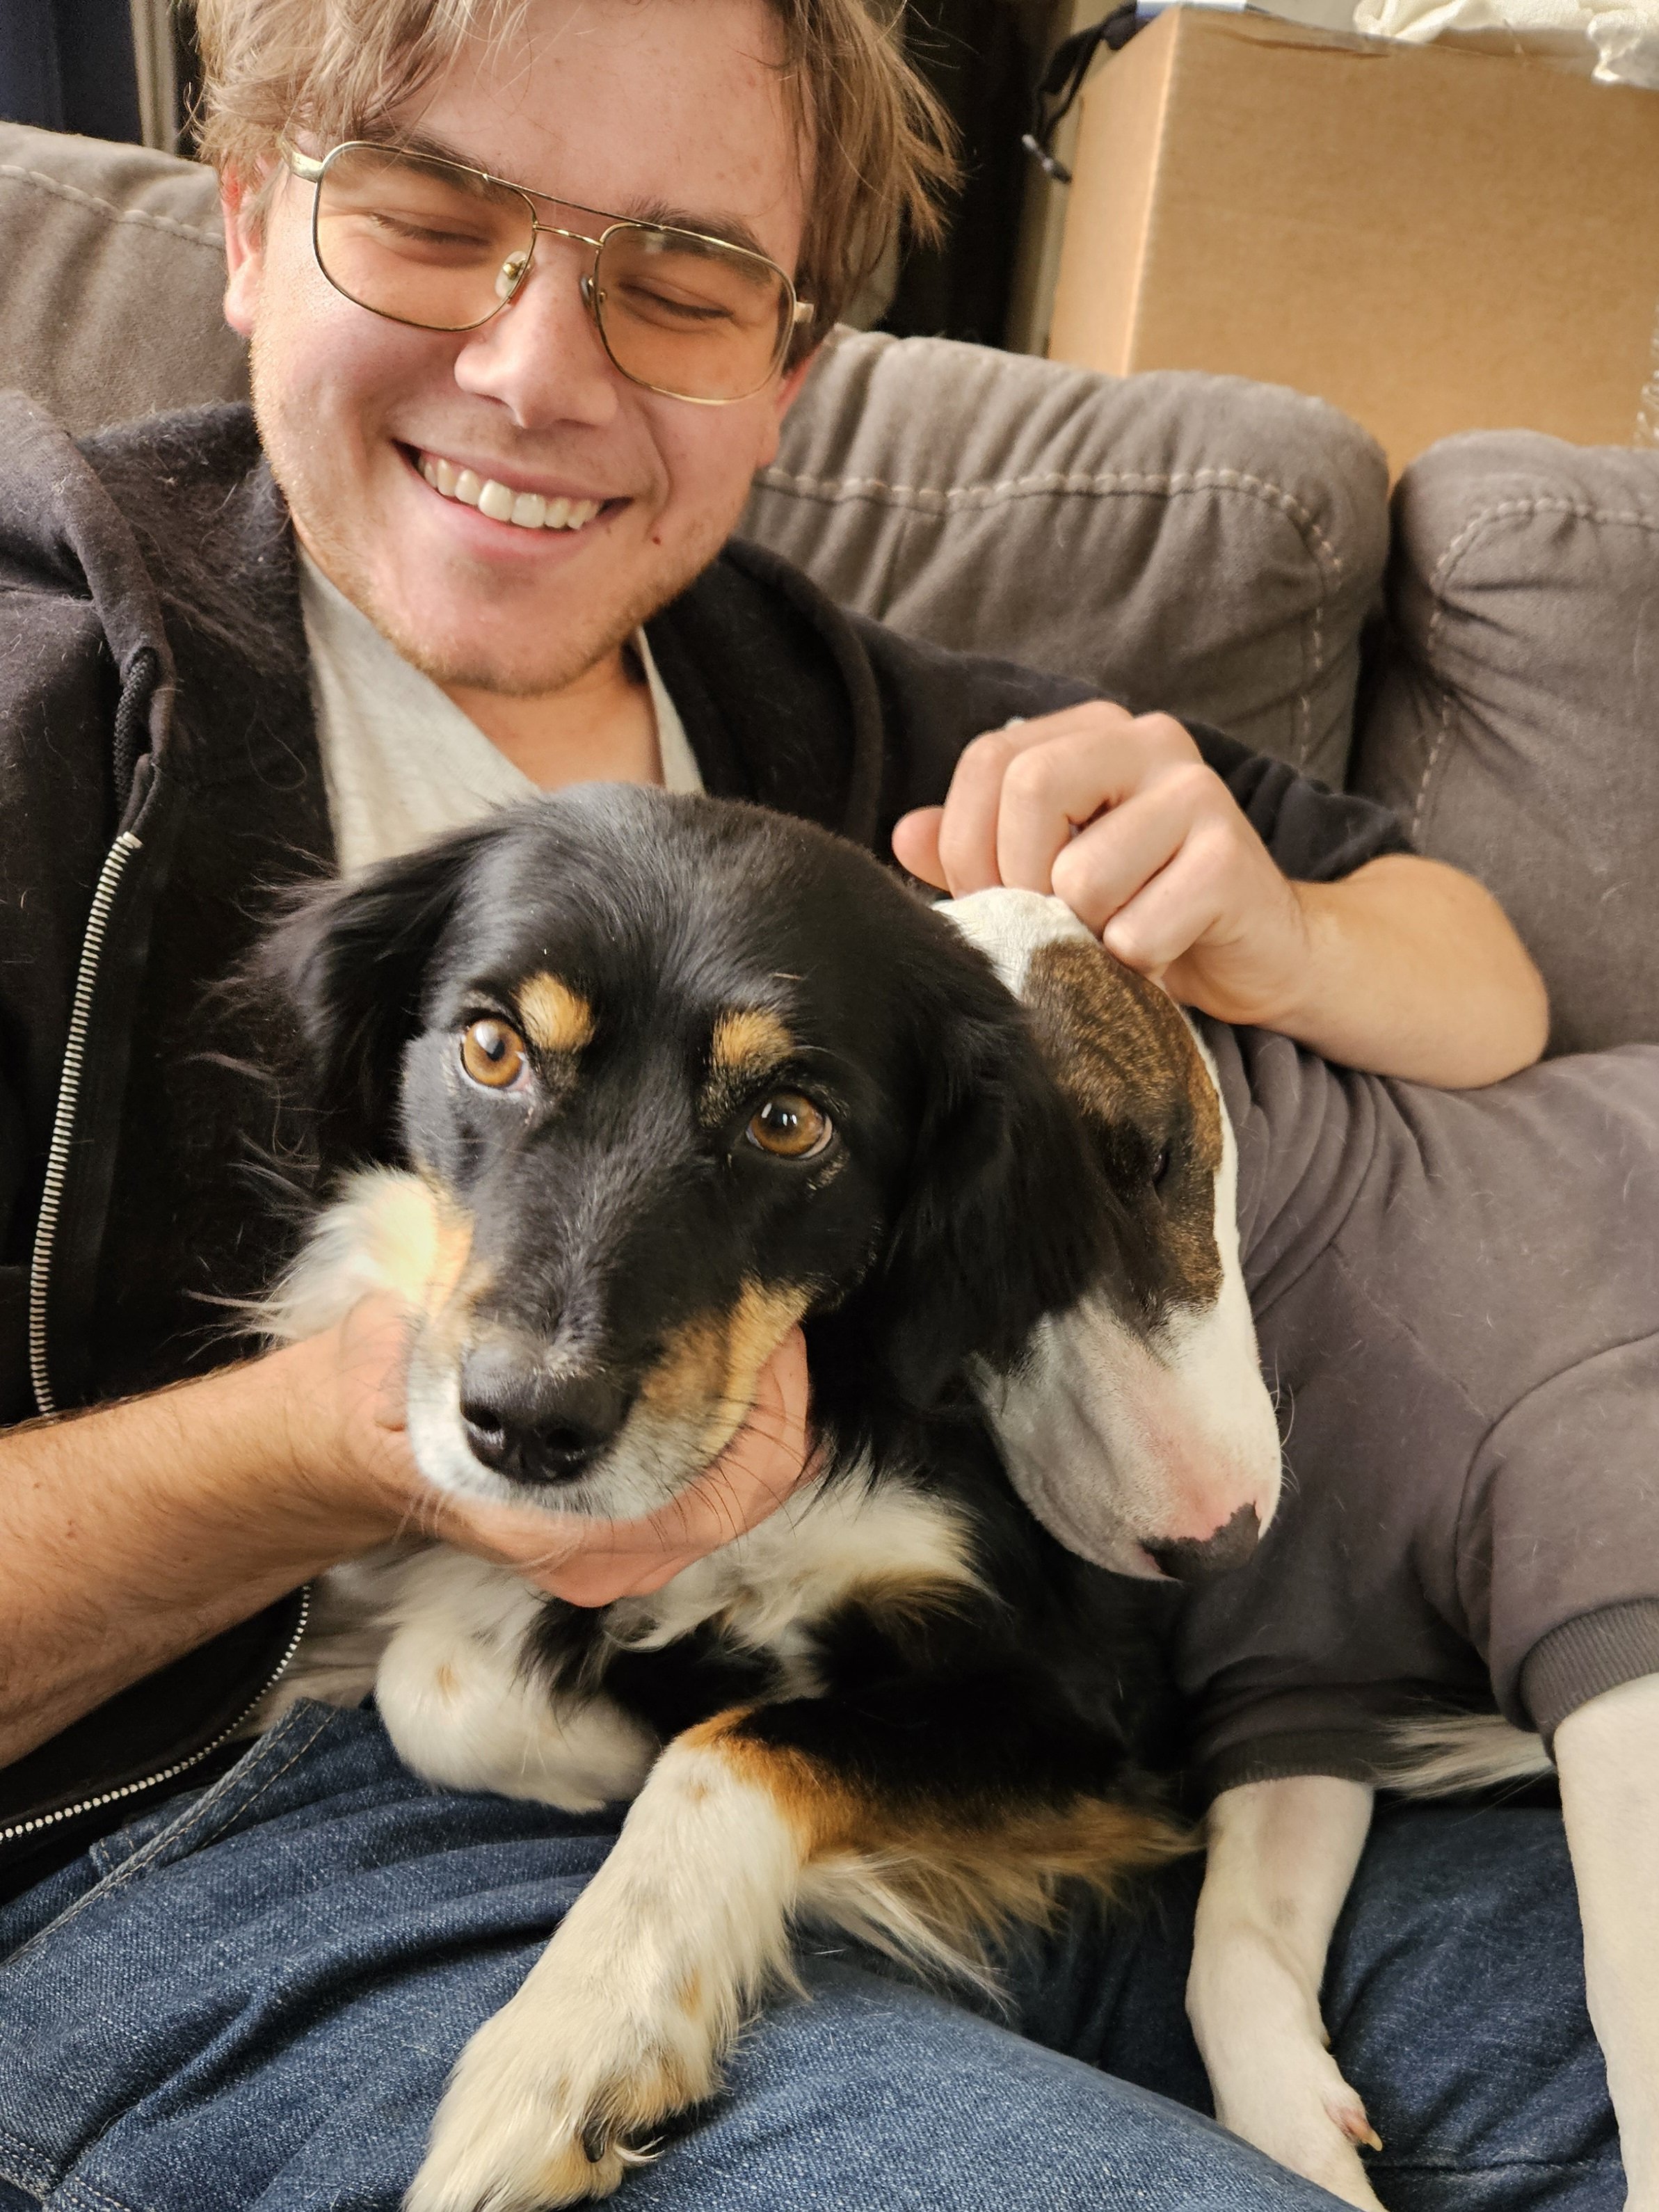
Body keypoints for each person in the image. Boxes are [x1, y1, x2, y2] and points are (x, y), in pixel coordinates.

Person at [0, 2, 1605, 2208]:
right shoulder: (39, 729)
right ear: (251, 227)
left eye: (672, 285)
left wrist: (1272, 930)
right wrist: (329, 1438)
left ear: (790, 365)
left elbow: (1483, 968)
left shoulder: (875, 741)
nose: (538, 371)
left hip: (970, 1755)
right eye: (433, 224)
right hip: (256, 1829)